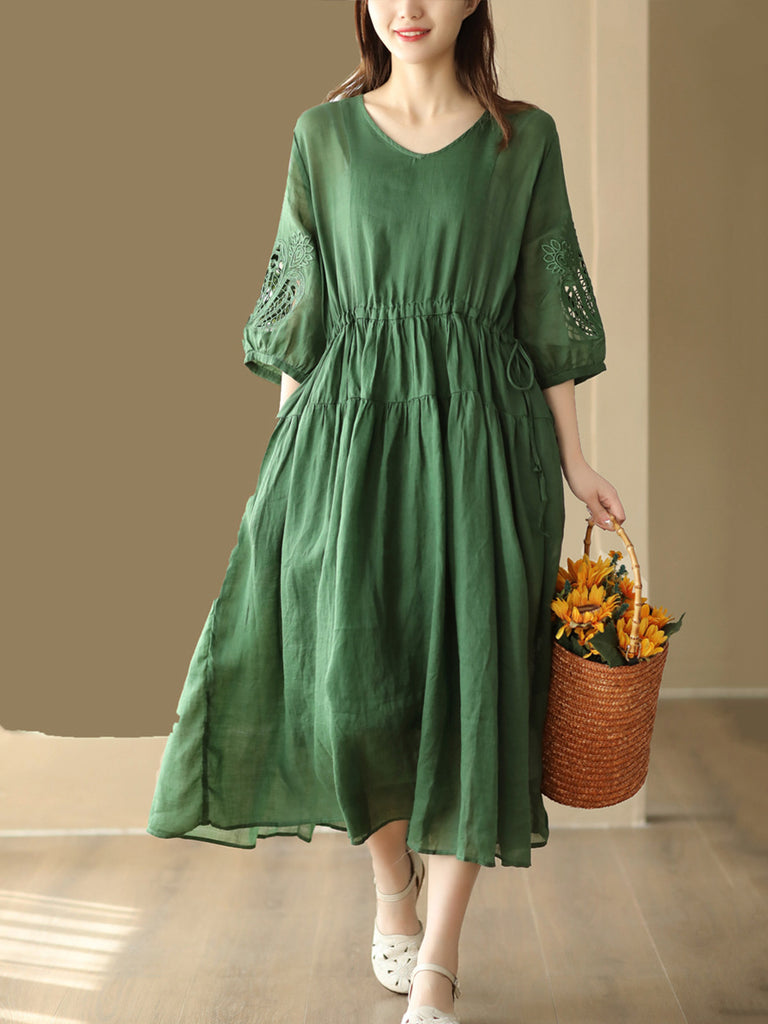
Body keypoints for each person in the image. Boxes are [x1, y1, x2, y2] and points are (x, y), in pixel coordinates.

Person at [146, 2, 626, 1022]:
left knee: (476, 694)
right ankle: (391, 882)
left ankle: (438, 964)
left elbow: (546, 311)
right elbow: (301, 316)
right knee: (350, 696)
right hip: (349, 443)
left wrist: (575, 460)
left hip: (487, 448)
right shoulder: (321, 137)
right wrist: (281, 464)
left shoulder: (523, 140)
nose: (407, 5)